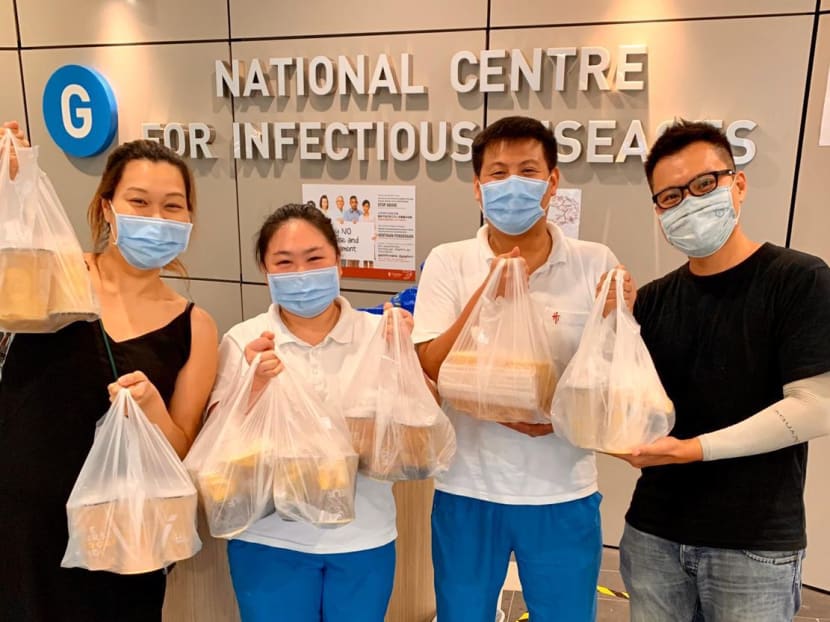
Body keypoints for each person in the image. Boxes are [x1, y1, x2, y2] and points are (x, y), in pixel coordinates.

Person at [412, 115, 633, 622]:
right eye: (497, 173)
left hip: (562, 488)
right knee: (461, 615)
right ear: (477, 187)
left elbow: (611, 380)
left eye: (527, 170)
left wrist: (619, 316)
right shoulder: (449, 261)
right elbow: (431, 365)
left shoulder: (594, 262)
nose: (512, 184)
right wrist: (486, 293)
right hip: (468, 487)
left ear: (552, 181)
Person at [0, 121, 219, 622]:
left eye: (172, 206)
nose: (156, 217)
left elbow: (181, 446)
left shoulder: (196, 327)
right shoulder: (52, 277)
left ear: (188, 218)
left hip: (121, 536)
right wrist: (9, 182)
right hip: (26, 525)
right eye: (139, 202)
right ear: (106, 207)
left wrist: (154, 410)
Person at [616, 120, 830, 621]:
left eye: (703, 185)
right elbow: (632, 407)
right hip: (654, 535)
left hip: (751, 543)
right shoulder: (652, 300)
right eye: (670, 197)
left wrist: (694, 450)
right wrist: (612, 327)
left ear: (738, 183)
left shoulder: (799, 280)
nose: (688, 202)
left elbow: (816, 408)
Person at [208, 203, 420, 622]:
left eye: (314, 259)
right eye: (284, 263)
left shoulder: (380, 334)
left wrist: (405, 362)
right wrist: (250, 389)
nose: (301, 274)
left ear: (338, 262)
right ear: (265, 271)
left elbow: (412, 440)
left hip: (363, 538)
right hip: (268, 540)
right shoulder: (243, 341)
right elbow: (216, 445)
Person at [361, 200, 375, 268]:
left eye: (367, 206)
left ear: (369, 207)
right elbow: (358, 228)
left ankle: (372, 273)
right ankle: (365, 273)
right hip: (364, 240)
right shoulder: (360, 217)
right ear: (362, 207)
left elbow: (375, 227)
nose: (366, 208)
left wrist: (375, 235)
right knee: (365, 260)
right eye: (364, 206)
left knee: (371, 260)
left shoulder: (372, 217)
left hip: (371, 240)